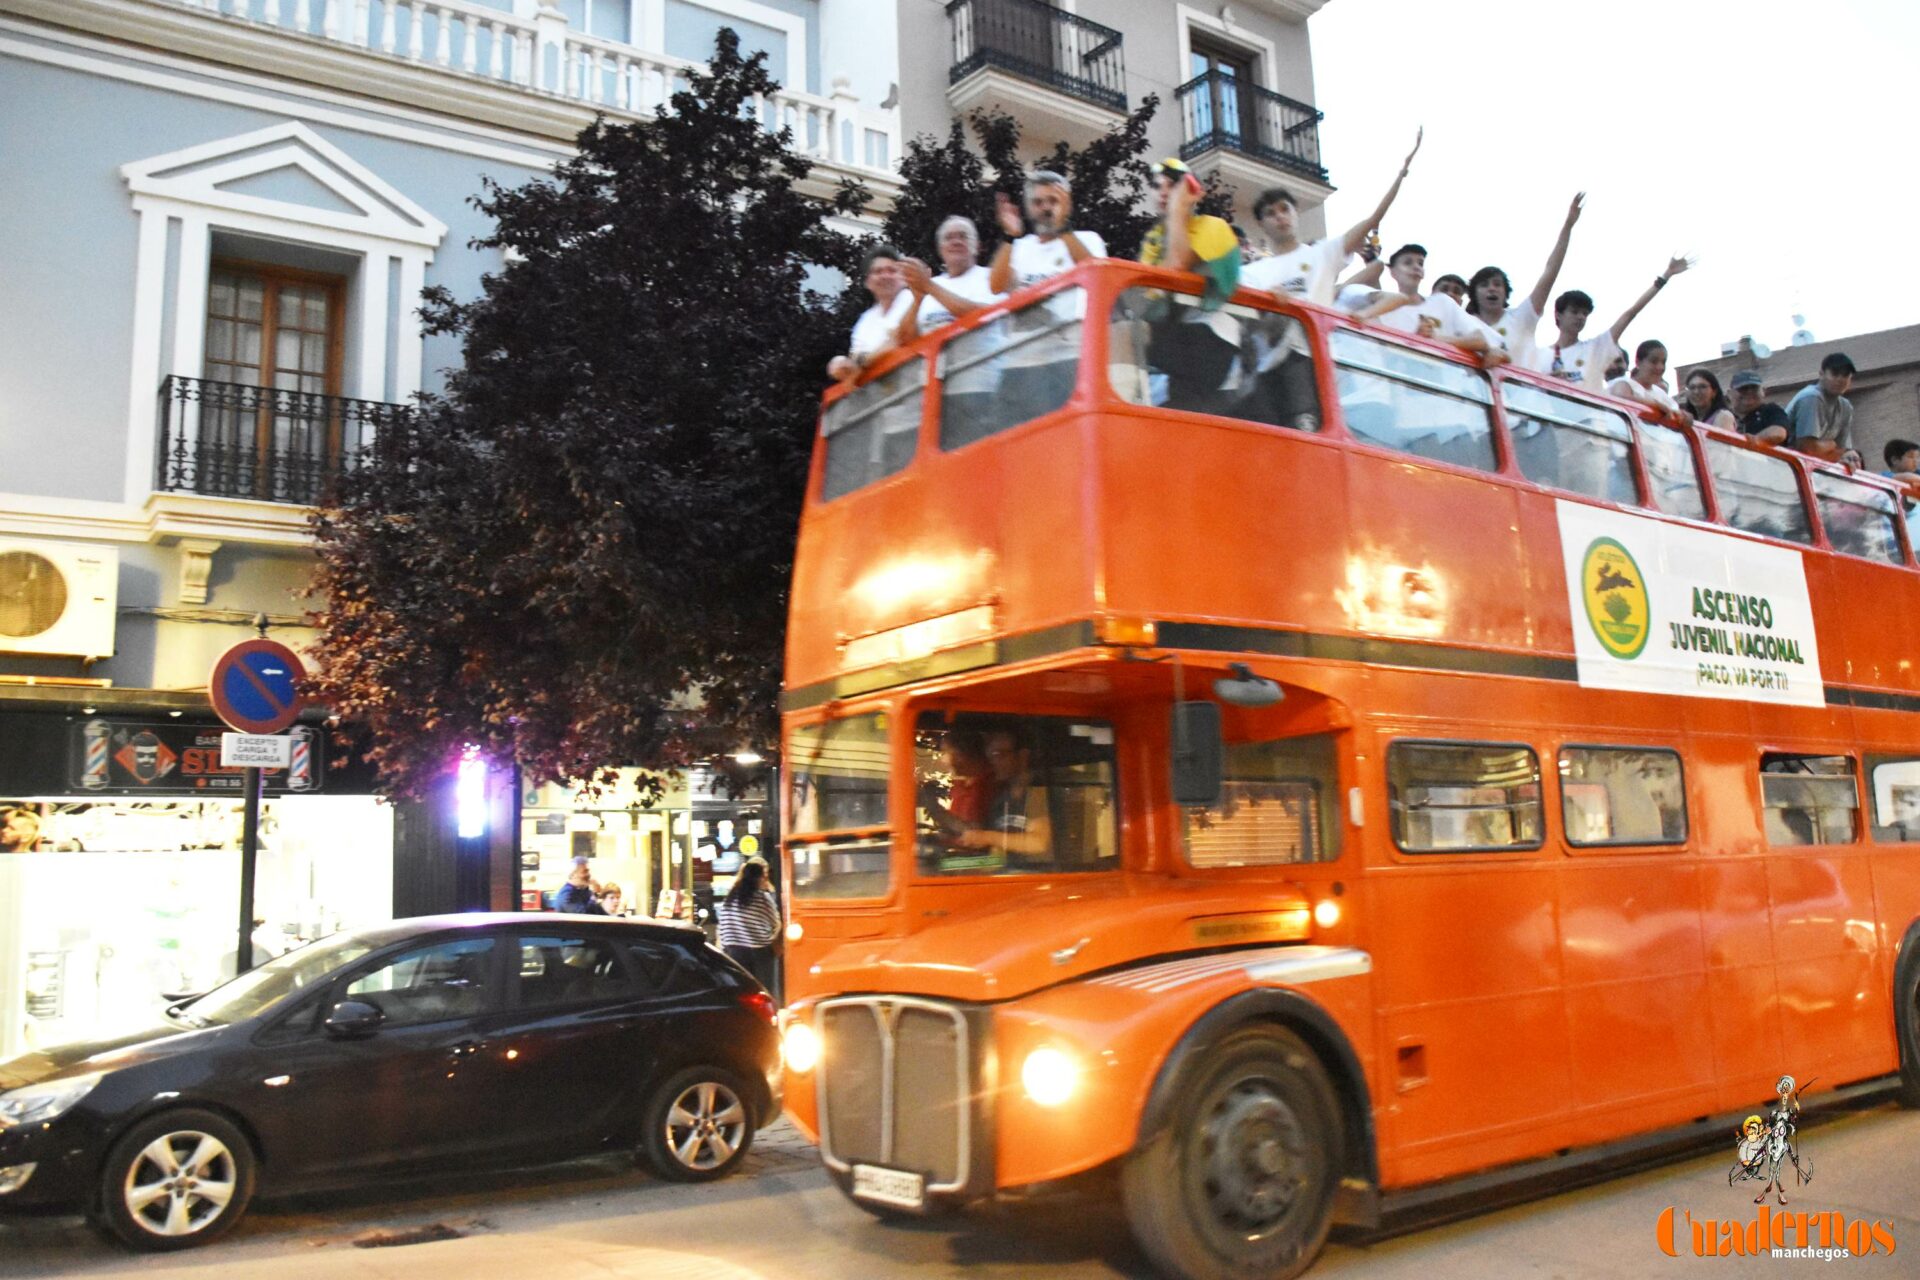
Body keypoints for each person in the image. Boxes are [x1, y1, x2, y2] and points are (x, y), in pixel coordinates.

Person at [1243, 127, 1421, 307]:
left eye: (1284, 209)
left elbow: (1373, 219)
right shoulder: (1251, 273)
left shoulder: (1322, 254)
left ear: (1296, 211)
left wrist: (1401, 174)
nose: (1280, 217)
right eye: (1270, 213)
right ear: (1261, 223)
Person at [987, 172, 1107, 419]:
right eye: (1038, 202)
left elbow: (1096, 274)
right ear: (1028, 207)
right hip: (1020, 361)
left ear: (1067, 203)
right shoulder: (1020, 247)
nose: (1045, 208)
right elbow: (996, 286)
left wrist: (1063, 227)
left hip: (1067, 358)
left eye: (1053, 201)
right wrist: (1009, 236)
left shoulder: (1086, 239)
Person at [1534, 254, 1694, 388]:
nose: (1580, 317)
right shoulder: (1539, 356)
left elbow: (1630, 314)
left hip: (1587, 423)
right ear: (1558, 315)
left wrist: (1665, 276)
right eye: (1574, 312)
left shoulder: (1595, 348)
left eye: (1585, 313)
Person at [1464, 192, 1585, 368]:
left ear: (1506, 293)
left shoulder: (1522, 318)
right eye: (1484, 285)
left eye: (1497, 285)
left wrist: (1568, 226)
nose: (1492, 289)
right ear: (1474, 293)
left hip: (1519, 393)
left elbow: (1550, 272)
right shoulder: (1465, 322)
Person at [1359, 243, 1502, 361]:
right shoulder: (1383, 310)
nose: (1416, 267)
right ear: (1393, 272)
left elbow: (1480, 340)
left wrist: (1436, 338)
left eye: (1420, 263)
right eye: (1408, 263)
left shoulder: (1442, 302)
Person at [950, 728, 1051, 865]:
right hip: (1008, 877)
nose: (993, 762)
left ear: (1022, 756)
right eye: (990, 756)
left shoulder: (1039, 791)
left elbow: (1039, 843)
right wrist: (956, 865)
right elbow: (998, 854)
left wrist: (987, 837)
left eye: (998, 755)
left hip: (1039, 878)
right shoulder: (1002, 799)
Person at [898, 216, 1002, 339]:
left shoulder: (992, 276)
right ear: (941, 249)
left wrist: (928, 286)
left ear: (977, 247)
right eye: (949, 238)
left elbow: (985, 315)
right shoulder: (932, 285)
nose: (956, 242)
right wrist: (917, 301)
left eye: (963, 236)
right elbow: (904, 339)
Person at [827, 246, 912, 383]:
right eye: (878, 272)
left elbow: (900, 339)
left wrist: (863, 361)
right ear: (868, 282)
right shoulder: (866, 320)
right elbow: (854, 360)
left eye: (892, 270)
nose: (885, 276)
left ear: (903, 277)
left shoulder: (912, 299)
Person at [716, 857, 782, 991]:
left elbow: (722, 928)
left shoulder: (730, 898)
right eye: (764, 877)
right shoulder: (763, 898)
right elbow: (776, 923)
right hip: (760, 953)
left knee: (741, 990)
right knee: (763, 991)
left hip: (733, 952)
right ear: (758, 878)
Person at [1785, 352, 1856, 461]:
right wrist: (1831, 444)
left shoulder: (1846, 407)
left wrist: (1844, 454)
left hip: (1813, 470)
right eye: (1835, 373)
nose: (1840, 379)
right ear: (1821, 374)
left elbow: (1842, 450)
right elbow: (1807, 449)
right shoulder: (1811, 398)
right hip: (1785, 466)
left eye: (1845, 375)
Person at [1607, 339, 1684, 415]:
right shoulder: (1624, 383)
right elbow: (1619, 398)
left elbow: (1676, 413)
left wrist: (1684, 416)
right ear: (1638, 362)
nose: (1660, 367)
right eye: (1654, 361)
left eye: (1663, 362)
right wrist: (1654, 405)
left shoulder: (1661, 393)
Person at [1730, 370, 1790, 444]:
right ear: (1729, 393)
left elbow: (1779, 433)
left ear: (1763, 391)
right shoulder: (1724, 415)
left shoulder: (1771, 410)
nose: (1749, 392)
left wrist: (1754, 440)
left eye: (1754, 388)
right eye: (1743, 388)